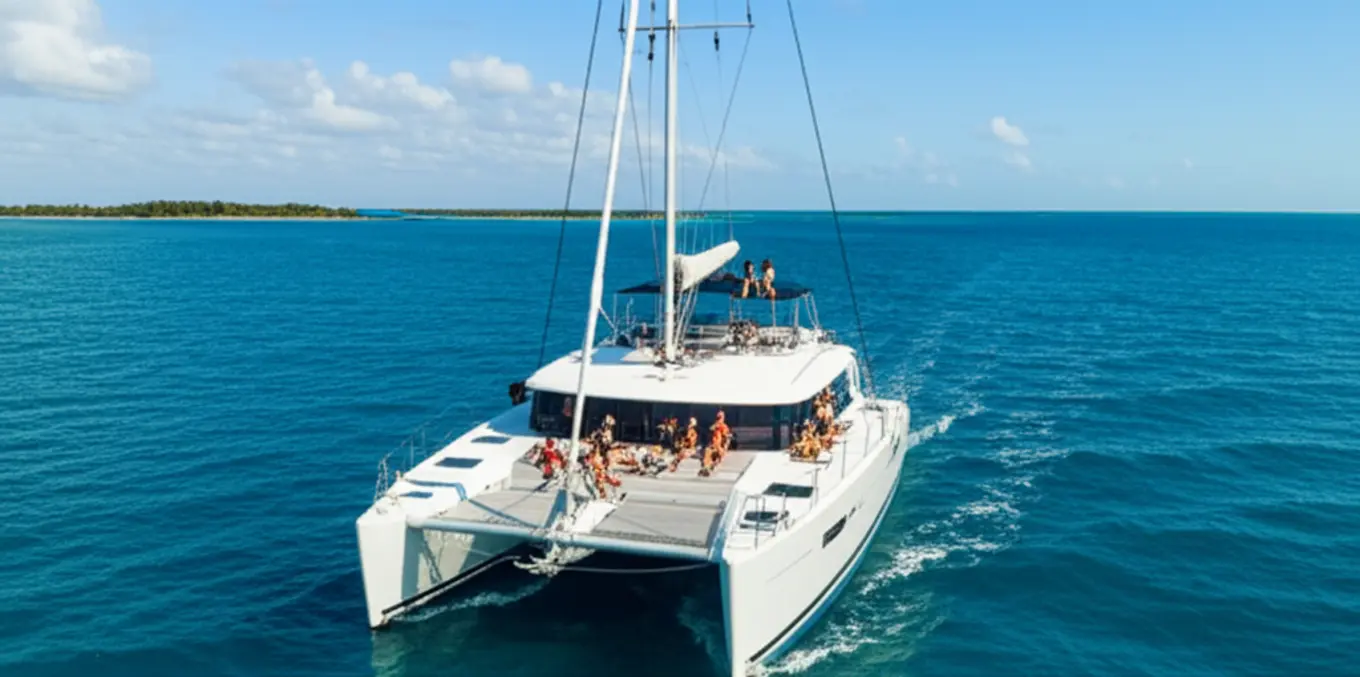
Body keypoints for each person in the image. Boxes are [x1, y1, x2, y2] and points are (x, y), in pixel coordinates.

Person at [700, 410, 731, 477]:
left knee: (716, 458)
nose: (719, 419)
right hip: (713, 445)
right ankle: (706, 468)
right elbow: (710, 429)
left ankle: (709, 467)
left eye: (720, 417)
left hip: (718, 446)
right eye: (718, 417)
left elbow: (726, 437)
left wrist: (725, 447)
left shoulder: (724, 426)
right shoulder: (716, 425)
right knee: (707, 454)